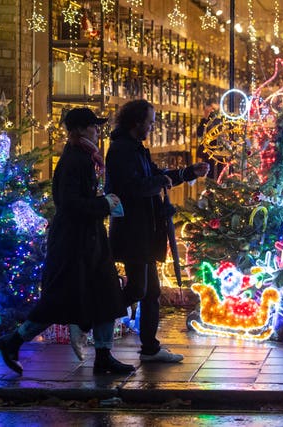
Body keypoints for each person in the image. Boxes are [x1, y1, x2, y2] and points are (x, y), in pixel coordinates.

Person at [0, 107, 135, 375]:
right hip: (75, 243)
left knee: (105, 295)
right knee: (59, 300)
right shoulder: (76, 160)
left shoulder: (83, 156)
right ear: (81, 129)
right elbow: (69, 203)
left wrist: (101, 205)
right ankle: (12, 340)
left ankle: (104, 356)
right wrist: (103, 203)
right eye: (94, 126)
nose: (98, 130)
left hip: (88, 241)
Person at [105, 99, 209, 363]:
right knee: (138, 290)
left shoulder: (136, 149)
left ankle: (150, 348)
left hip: (145, 231)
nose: (152, 126)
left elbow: (154, 175)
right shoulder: (121, 150)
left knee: (151, 292)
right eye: (150, 121)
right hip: (133, 232)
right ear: (136, 122)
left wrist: (187, 173)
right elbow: (133, 188)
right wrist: (159, 181)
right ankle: (95, 314)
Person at [196, 101, 220, 179]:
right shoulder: (207, 120)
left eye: (213, 109)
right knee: (210, 175)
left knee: (218, 175)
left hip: (218, 153)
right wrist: (205, 118)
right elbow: (200, 133)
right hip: (208, 153)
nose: (211, 111)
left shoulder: (219, 120)